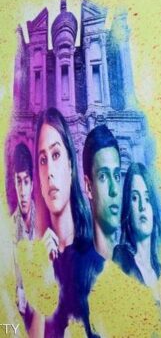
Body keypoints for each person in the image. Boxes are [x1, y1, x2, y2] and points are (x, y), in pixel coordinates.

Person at [17, 108, 103, 338]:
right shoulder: (36, 263)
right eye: (43, 160)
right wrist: (42, 278)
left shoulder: (95, 261)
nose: (50, 172)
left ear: (71, 165)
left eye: (56, 155)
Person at [114, 163, 161, 293]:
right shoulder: (121, 260)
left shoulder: (160, 271)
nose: (142, 206)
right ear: (128, 208)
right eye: (135, 198)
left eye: (147, 199)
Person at [82, 125, 123, 261]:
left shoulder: (133, 265)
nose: (114, 190)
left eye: (116, 176)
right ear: (89, 187)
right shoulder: (77, 266)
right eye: (103, 176)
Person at [10, 143, 36, 242]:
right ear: (15, 184)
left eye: (26, 182)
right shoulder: (8, 229)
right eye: (19, 182)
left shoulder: (44, 221)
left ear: (32, 185)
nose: (22, 192)